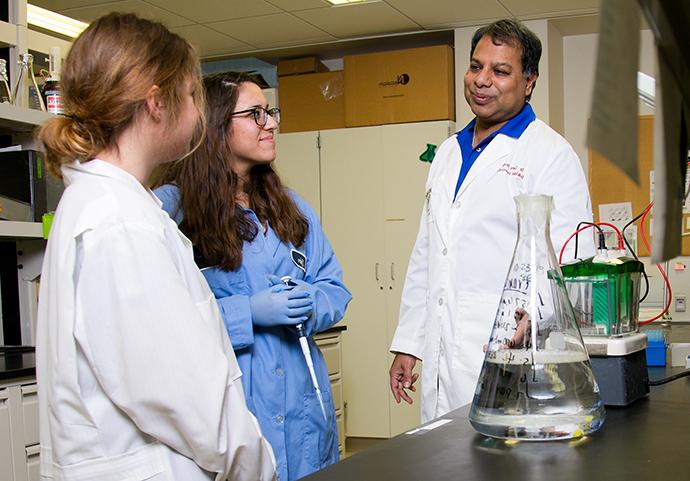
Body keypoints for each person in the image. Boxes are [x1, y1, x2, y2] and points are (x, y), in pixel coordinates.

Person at [36, 13, 275, 481]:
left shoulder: (103, 204)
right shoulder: (121, 223)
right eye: (190, 95)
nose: (197, 110)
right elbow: (189, 402)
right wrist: (255, 467)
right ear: (155, 103)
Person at [388, 18, 594, 422]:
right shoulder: (447, 152)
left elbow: (572, 259)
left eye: (500, 71)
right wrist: (409, 342)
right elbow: (428, 253)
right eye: (475, 66)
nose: (482, 80)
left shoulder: (550, 154)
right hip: (441, 349)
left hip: (510, 350)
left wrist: (535, 316)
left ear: (529, 81)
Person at [154, 71, 352, 481]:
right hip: (234, 400)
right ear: (216, 125)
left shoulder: (290, 207)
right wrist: (246, 312)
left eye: (270, 112)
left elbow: (334, 287)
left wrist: (312, 303)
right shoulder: (172, 209)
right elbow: (159, 320)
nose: (272, 123)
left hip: (302, 406)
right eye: (256, 114)